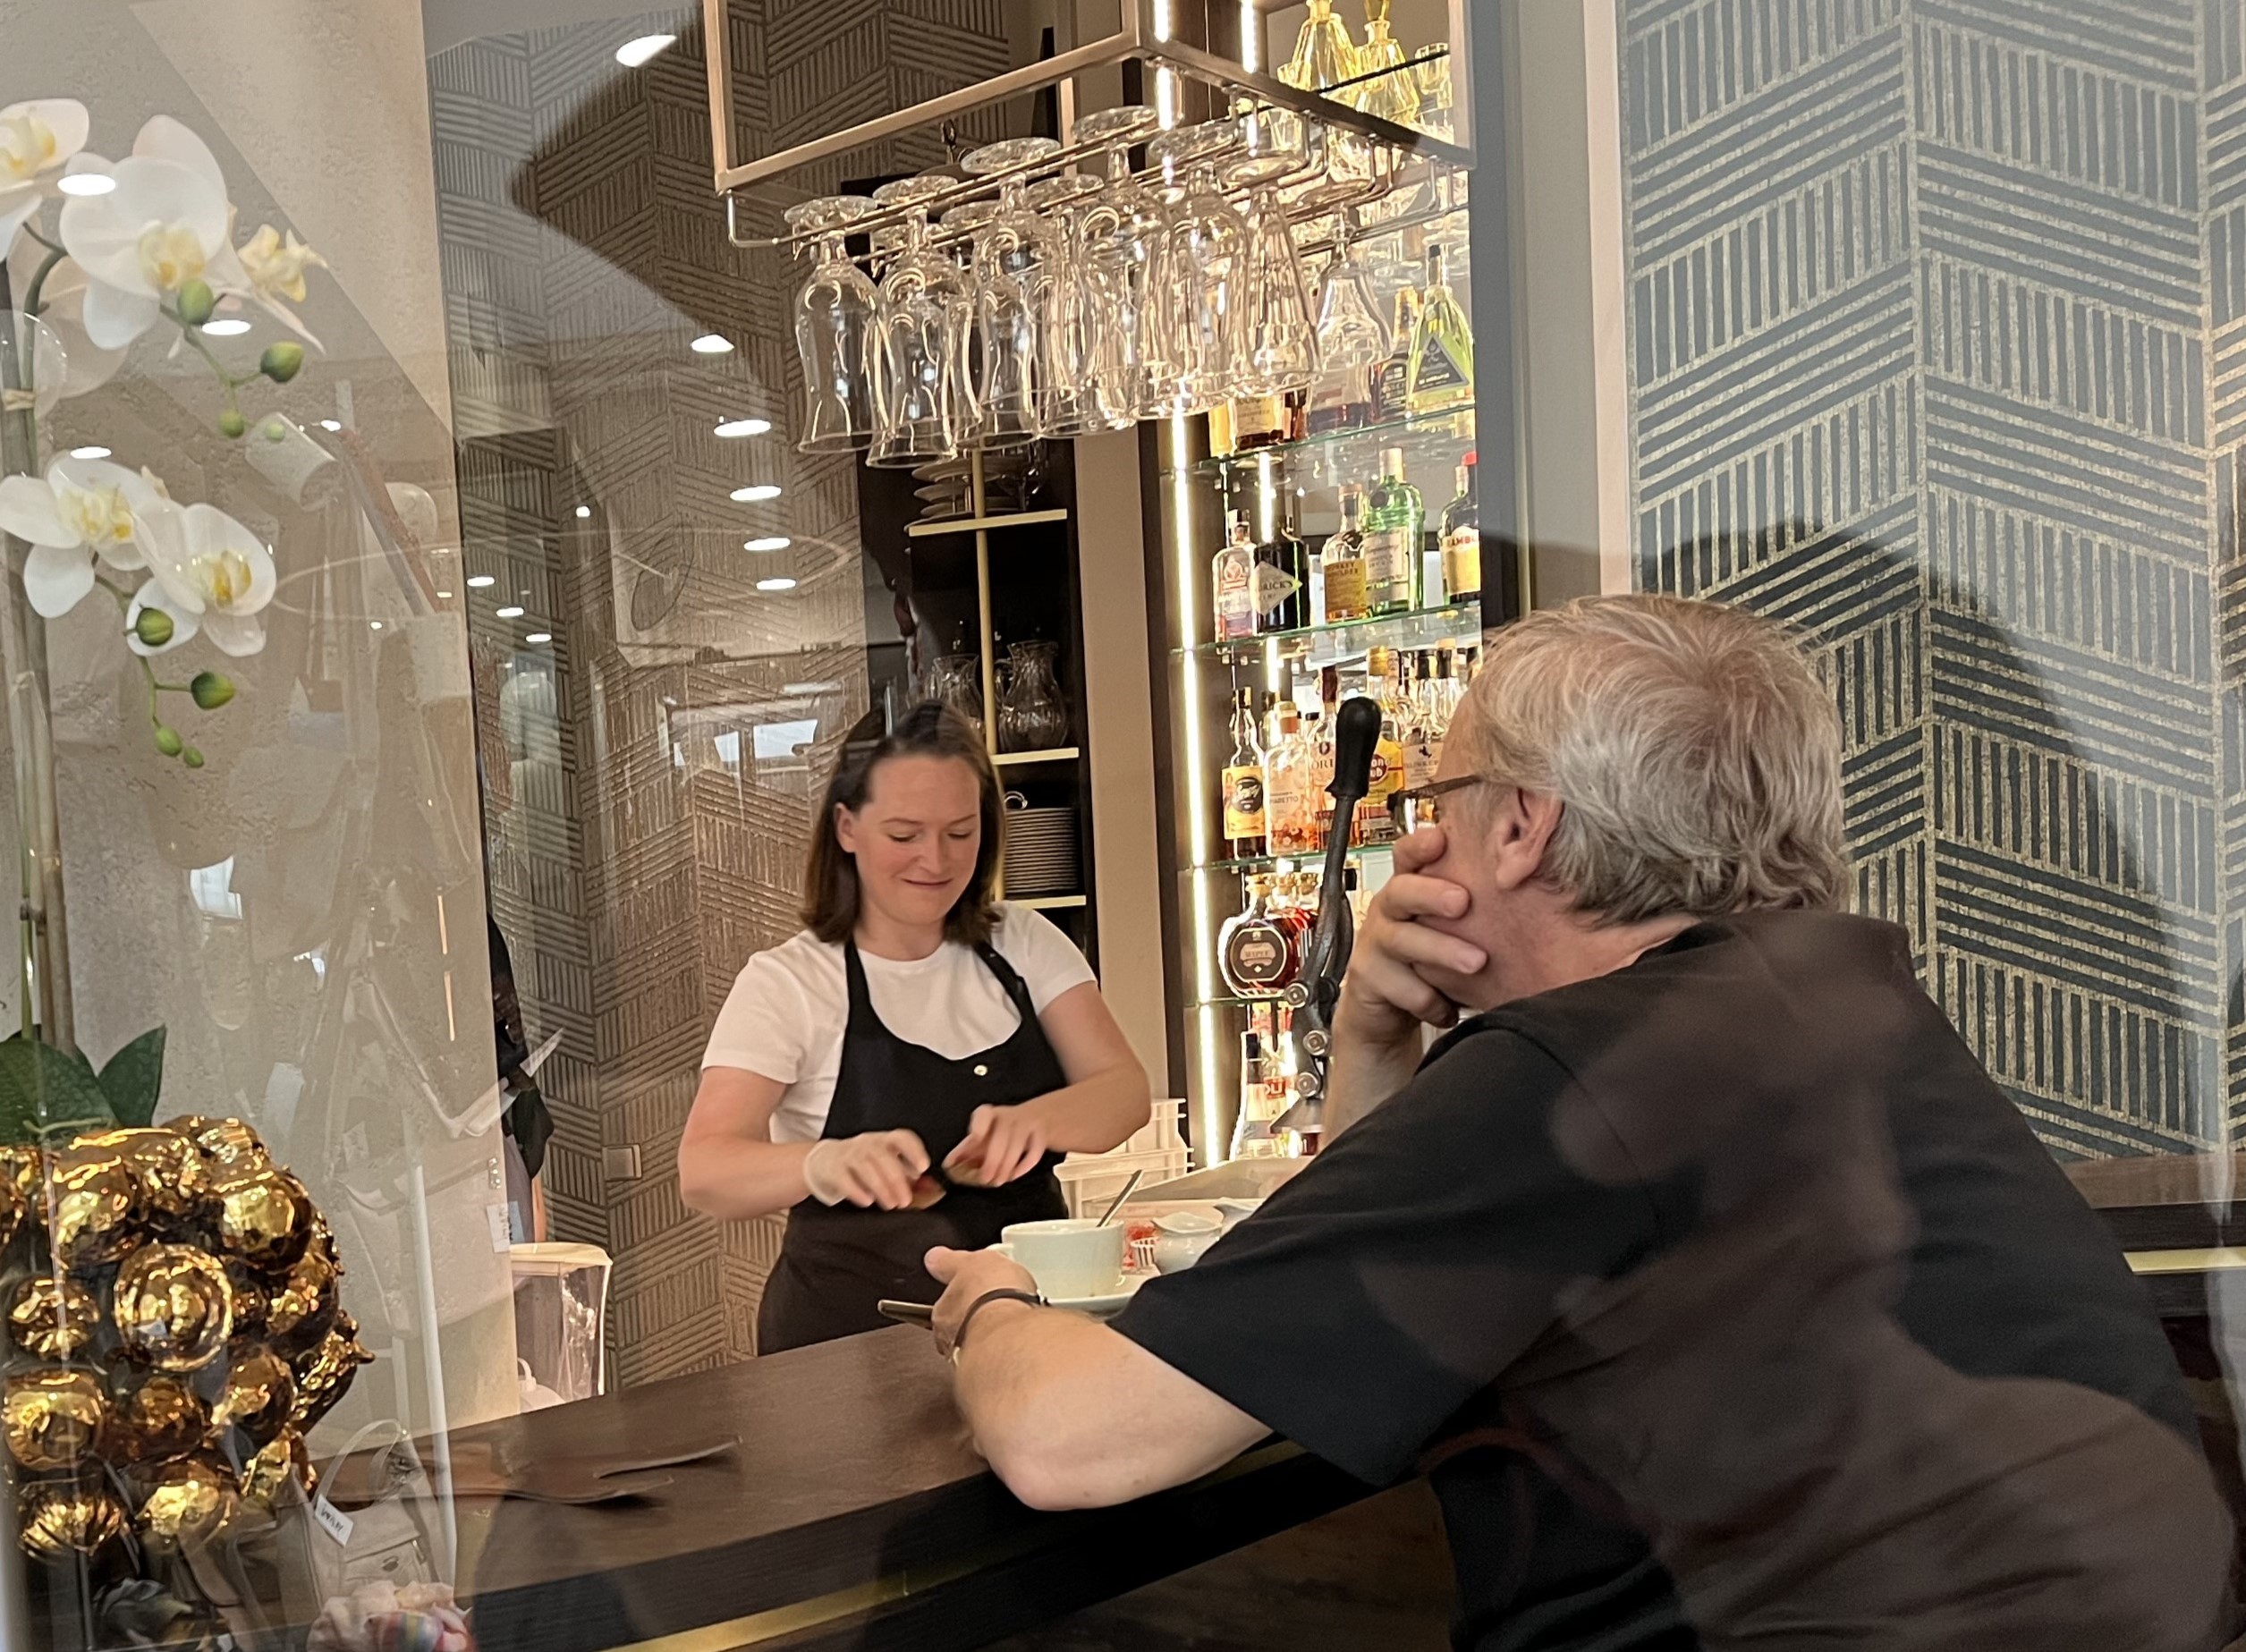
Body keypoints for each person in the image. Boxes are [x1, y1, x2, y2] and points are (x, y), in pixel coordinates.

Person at [925, 595, 2233, 1651]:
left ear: (1518, 826)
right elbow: (1358, 1299)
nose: (1416, 852)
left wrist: (992, 1305)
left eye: (1431, 804)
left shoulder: (1572, 1072)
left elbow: (1068, 1440)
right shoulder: (1839, 1003)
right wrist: (1375, 1042)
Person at [681, 701, 1149, 1354]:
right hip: (845, 1350)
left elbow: (1124, 1092)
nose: (935, 859)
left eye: (960, 832)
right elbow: (705, 1168)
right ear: (846, 827)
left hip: (1025, 1333)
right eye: (904, 835)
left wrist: (1036, 1121)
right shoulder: (789, 981)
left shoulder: (1024, 943)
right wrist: (822, 1162)